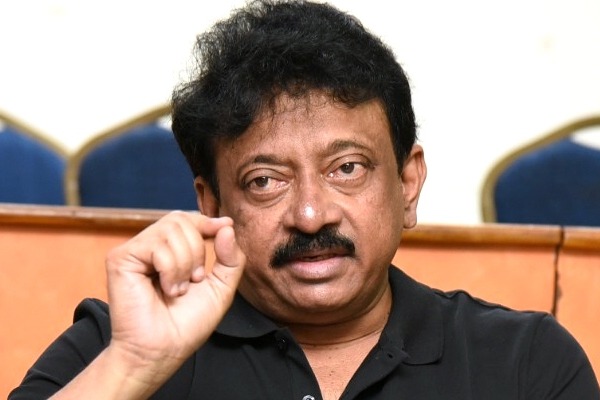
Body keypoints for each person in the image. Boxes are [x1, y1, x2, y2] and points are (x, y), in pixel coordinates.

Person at [9, 1, 600, 399]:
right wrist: (134, 366)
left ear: (408, 183)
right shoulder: (118, 344)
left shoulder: (525, 362)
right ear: (211, 204)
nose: (311, 215)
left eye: (347, 169)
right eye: (265, 181)